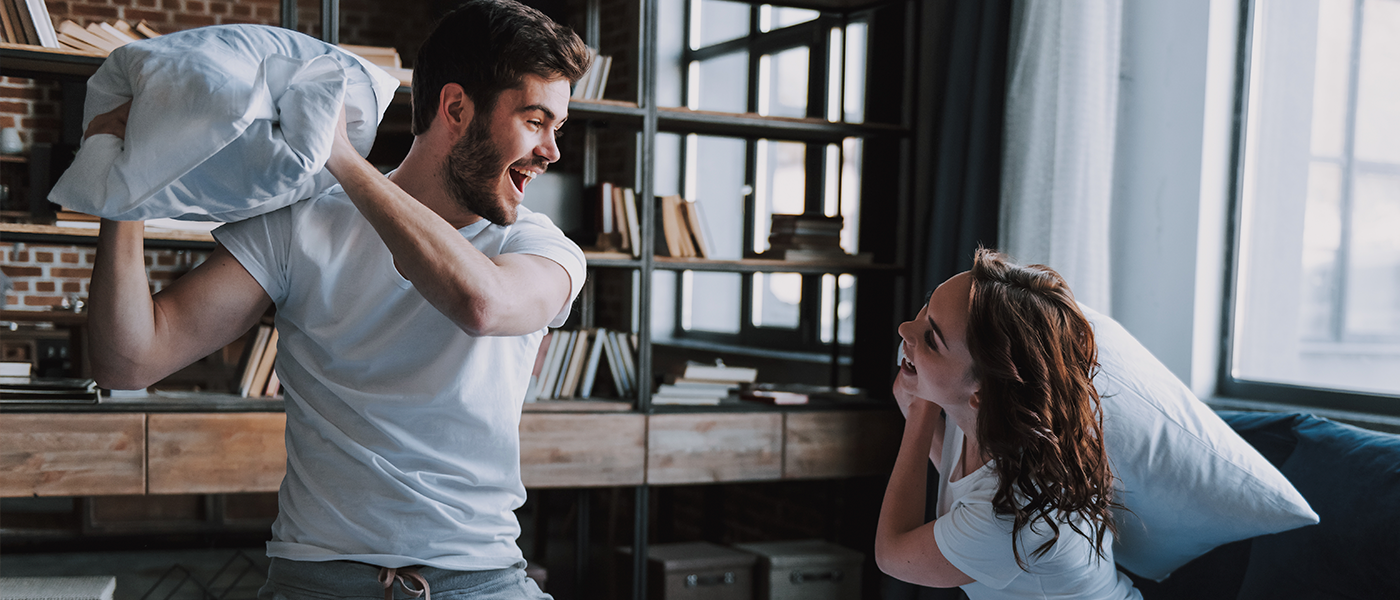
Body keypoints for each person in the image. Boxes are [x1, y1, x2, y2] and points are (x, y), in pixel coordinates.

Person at [84, 2, 591, 599]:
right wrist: (124, 185)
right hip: (317, 583)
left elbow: (483, 305)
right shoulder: (301, 227)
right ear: (456, 108)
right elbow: (128, 360)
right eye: (536, 121)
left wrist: (341, 161)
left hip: (480, 582)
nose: (552, 150)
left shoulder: (537, 245)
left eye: (556, 126)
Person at [875, 249, 1142, 599]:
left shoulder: (1006, 517)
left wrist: (920, 411)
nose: (905, 328)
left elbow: (892, 554)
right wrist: (922, 378)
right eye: (927, 308)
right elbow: (964, 483)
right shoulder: (989, 416)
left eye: (931, 338)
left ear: (982, 391)